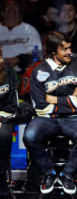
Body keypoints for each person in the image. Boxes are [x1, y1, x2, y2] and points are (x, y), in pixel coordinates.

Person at [23, 31, 77, 195]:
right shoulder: (38, 71)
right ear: (54, 52)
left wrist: (53, 100)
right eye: (65, 49)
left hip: (74, 118)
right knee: (29, 136)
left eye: (69, 48)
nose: (70, 52)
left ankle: (68, 175)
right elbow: (40, 107)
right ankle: (49, 174)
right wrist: (70, 99)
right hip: (45, 119)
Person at [0, 0, 42, 73]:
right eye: (8, 6)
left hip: (23, 72)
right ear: (2, 13)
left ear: (20, 14)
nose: (12, 8)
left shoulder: (30, 30)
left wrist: (19, 59)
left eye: (15, 6)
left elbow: (37, 53)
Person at [0, 48, 18, 196]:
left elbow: (12, 104)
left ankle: (2, 180)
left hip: (4, 115)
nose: (1, 60)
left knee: (4, 135)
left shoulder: (9, 72)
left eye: (0, 56)